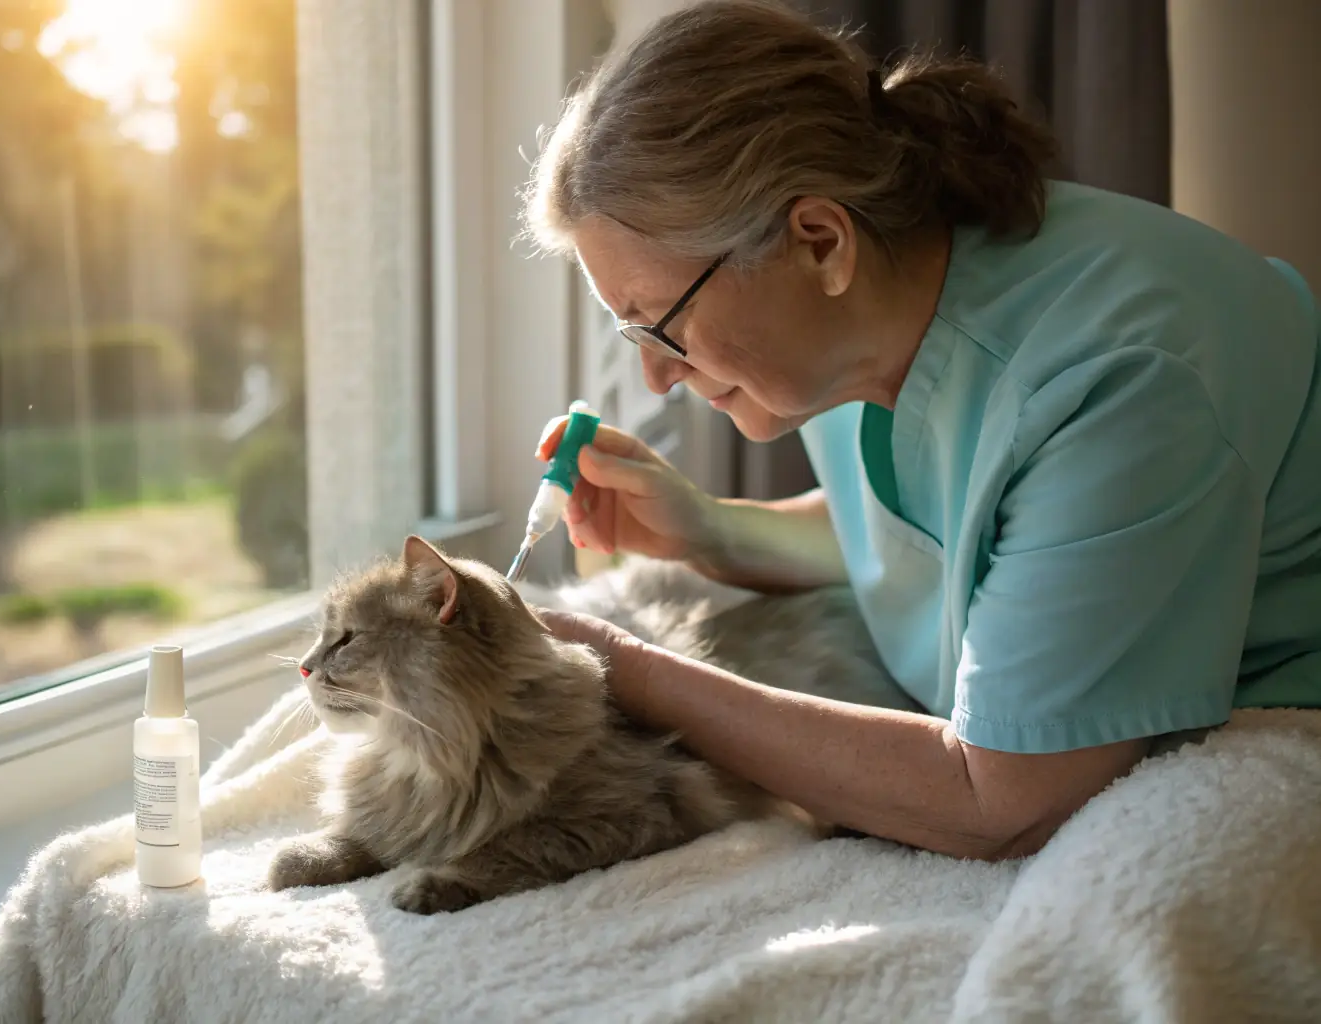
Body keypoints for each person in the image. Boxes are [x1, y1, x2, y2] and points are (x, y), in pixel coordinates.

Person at [521, 0, 1321, 859]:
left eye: (662, 322)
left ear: (818, 241)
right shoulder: (871, 317)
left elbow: (1005, 803)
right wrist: (708, 531)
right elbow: (957, 532)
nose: (656, 374)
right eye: (632, 333)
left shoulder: (1114, 380)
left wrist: (624, 669)